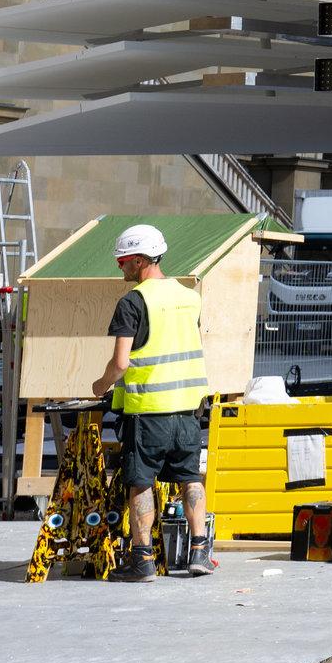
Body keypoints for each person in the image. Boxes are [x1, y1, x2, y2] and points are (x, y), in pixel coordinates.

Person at [88, 223, 213, 581]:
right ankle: (199, 553)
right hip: (187, 410)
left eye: (123, 261)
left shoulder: (133, 302)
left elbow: (121, 363)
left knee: (140, 482)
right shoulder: (189, 297)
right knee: (190, 477)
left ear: (140, 260)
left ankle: (142, 560)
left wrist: (101, 385)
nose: (120, 268)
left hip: (148, 413)